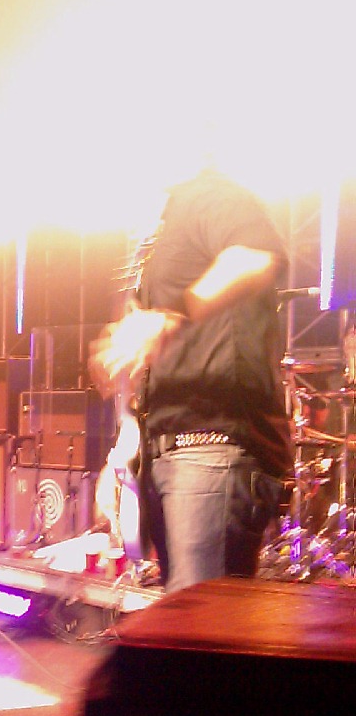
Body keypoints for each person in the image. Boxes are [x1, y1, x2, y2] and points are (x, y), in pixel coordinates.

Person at [90, 168, 290, 592]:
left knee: (201, 620)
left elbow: (256, 256)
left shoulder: (209, 195)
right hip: (167, 452)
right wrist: (120, 457)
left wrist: (173, 313)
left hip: (212, 446)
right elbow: (148, 373)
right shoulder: (154, 241)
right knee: (183, 616)